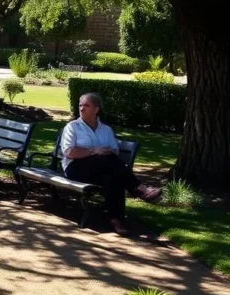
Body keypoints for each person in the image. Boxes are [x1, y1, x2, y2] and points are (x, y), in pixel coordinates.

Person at [62, 93, 161, 234]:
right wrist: (94, 151)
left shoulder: (106, 130)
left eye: (86, 105)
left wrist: (104, 152)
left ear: (97, 109)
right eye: (80, 105)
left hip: (101, 169)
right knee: (103, 159)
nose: (82, 108)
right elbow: (69, 152)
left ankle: (117, 220)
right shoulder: (72, 127)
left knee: (112, 178)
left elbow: (114, 151)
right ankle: (139, 188)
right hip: (75, 168)